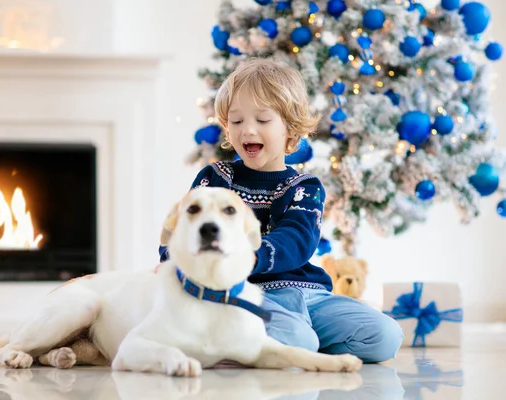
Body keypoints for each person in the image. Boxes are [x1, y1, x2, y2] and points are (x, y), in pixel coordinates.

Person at [159, 58, 403, 363]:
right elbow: (183, 227)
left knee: (385, 336)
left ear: (290, 128)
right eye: (236, 121)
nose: (248, 130)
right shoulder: (215, 178)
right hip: (251, 294)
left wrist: (249, 255)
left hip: (311, 295)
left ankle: (287, 345)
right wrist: (172, 264)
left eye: (262, 120)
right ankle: (285, 344)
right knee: (299, 340)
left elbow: (296, 239)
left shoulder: (305, 186)